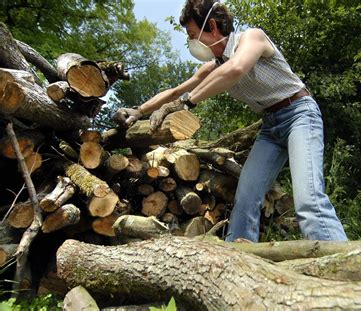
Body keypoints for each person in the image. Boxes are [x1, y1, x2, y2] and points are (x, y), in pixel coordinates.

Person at [113, 0, 347, 242]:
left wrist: (186, 102)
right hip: (270, 127)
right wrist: (138, 111)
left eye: (193, 35)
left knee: (309, 201)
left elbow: (236, 68)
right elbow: (175, 91)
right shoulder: (214, 66)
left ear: (212, 26)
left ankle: (343, 265)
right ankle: (240, 260)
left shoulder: (252, 38)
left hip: (299, 114)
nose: (191, 43)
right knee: (245, 200)